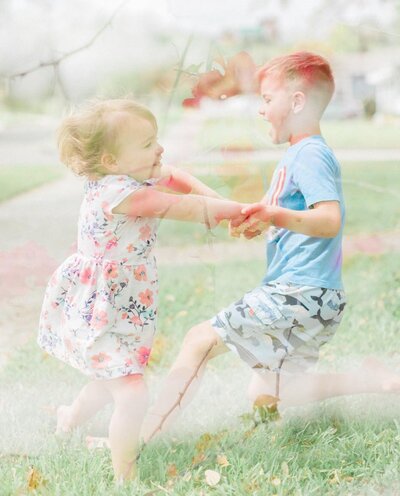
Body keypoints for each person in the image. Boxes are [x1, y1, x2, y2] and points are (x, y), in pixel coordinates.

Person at [141, 51, 400, 445]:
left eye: (266, 99)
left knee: (198, 339)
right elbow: (263, 215)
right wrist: (190, 183)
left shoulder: (310, 153)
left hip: (299, 293)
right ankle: (377, 380)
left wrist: (273, 216)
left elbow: (329, 219)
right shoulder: (297, 154)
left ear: (296, 102)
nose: (261, 111)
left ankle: (139, 437)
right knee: (271, 391)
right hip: (315, 297)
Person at [37, 98, 248, 482]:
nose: (160, 148)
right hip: (100, 305)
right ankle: (125, 480)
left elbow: (178, 178)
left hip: (124, 303)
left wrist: (222, 204)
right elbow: (182, 205)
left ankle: (70, 416)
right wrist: (243, 211)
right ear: (112, 161)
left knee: (112, 376)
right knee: (132, 392)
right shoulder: (122, 194)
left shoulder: (130, 176)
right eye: (148, 143)